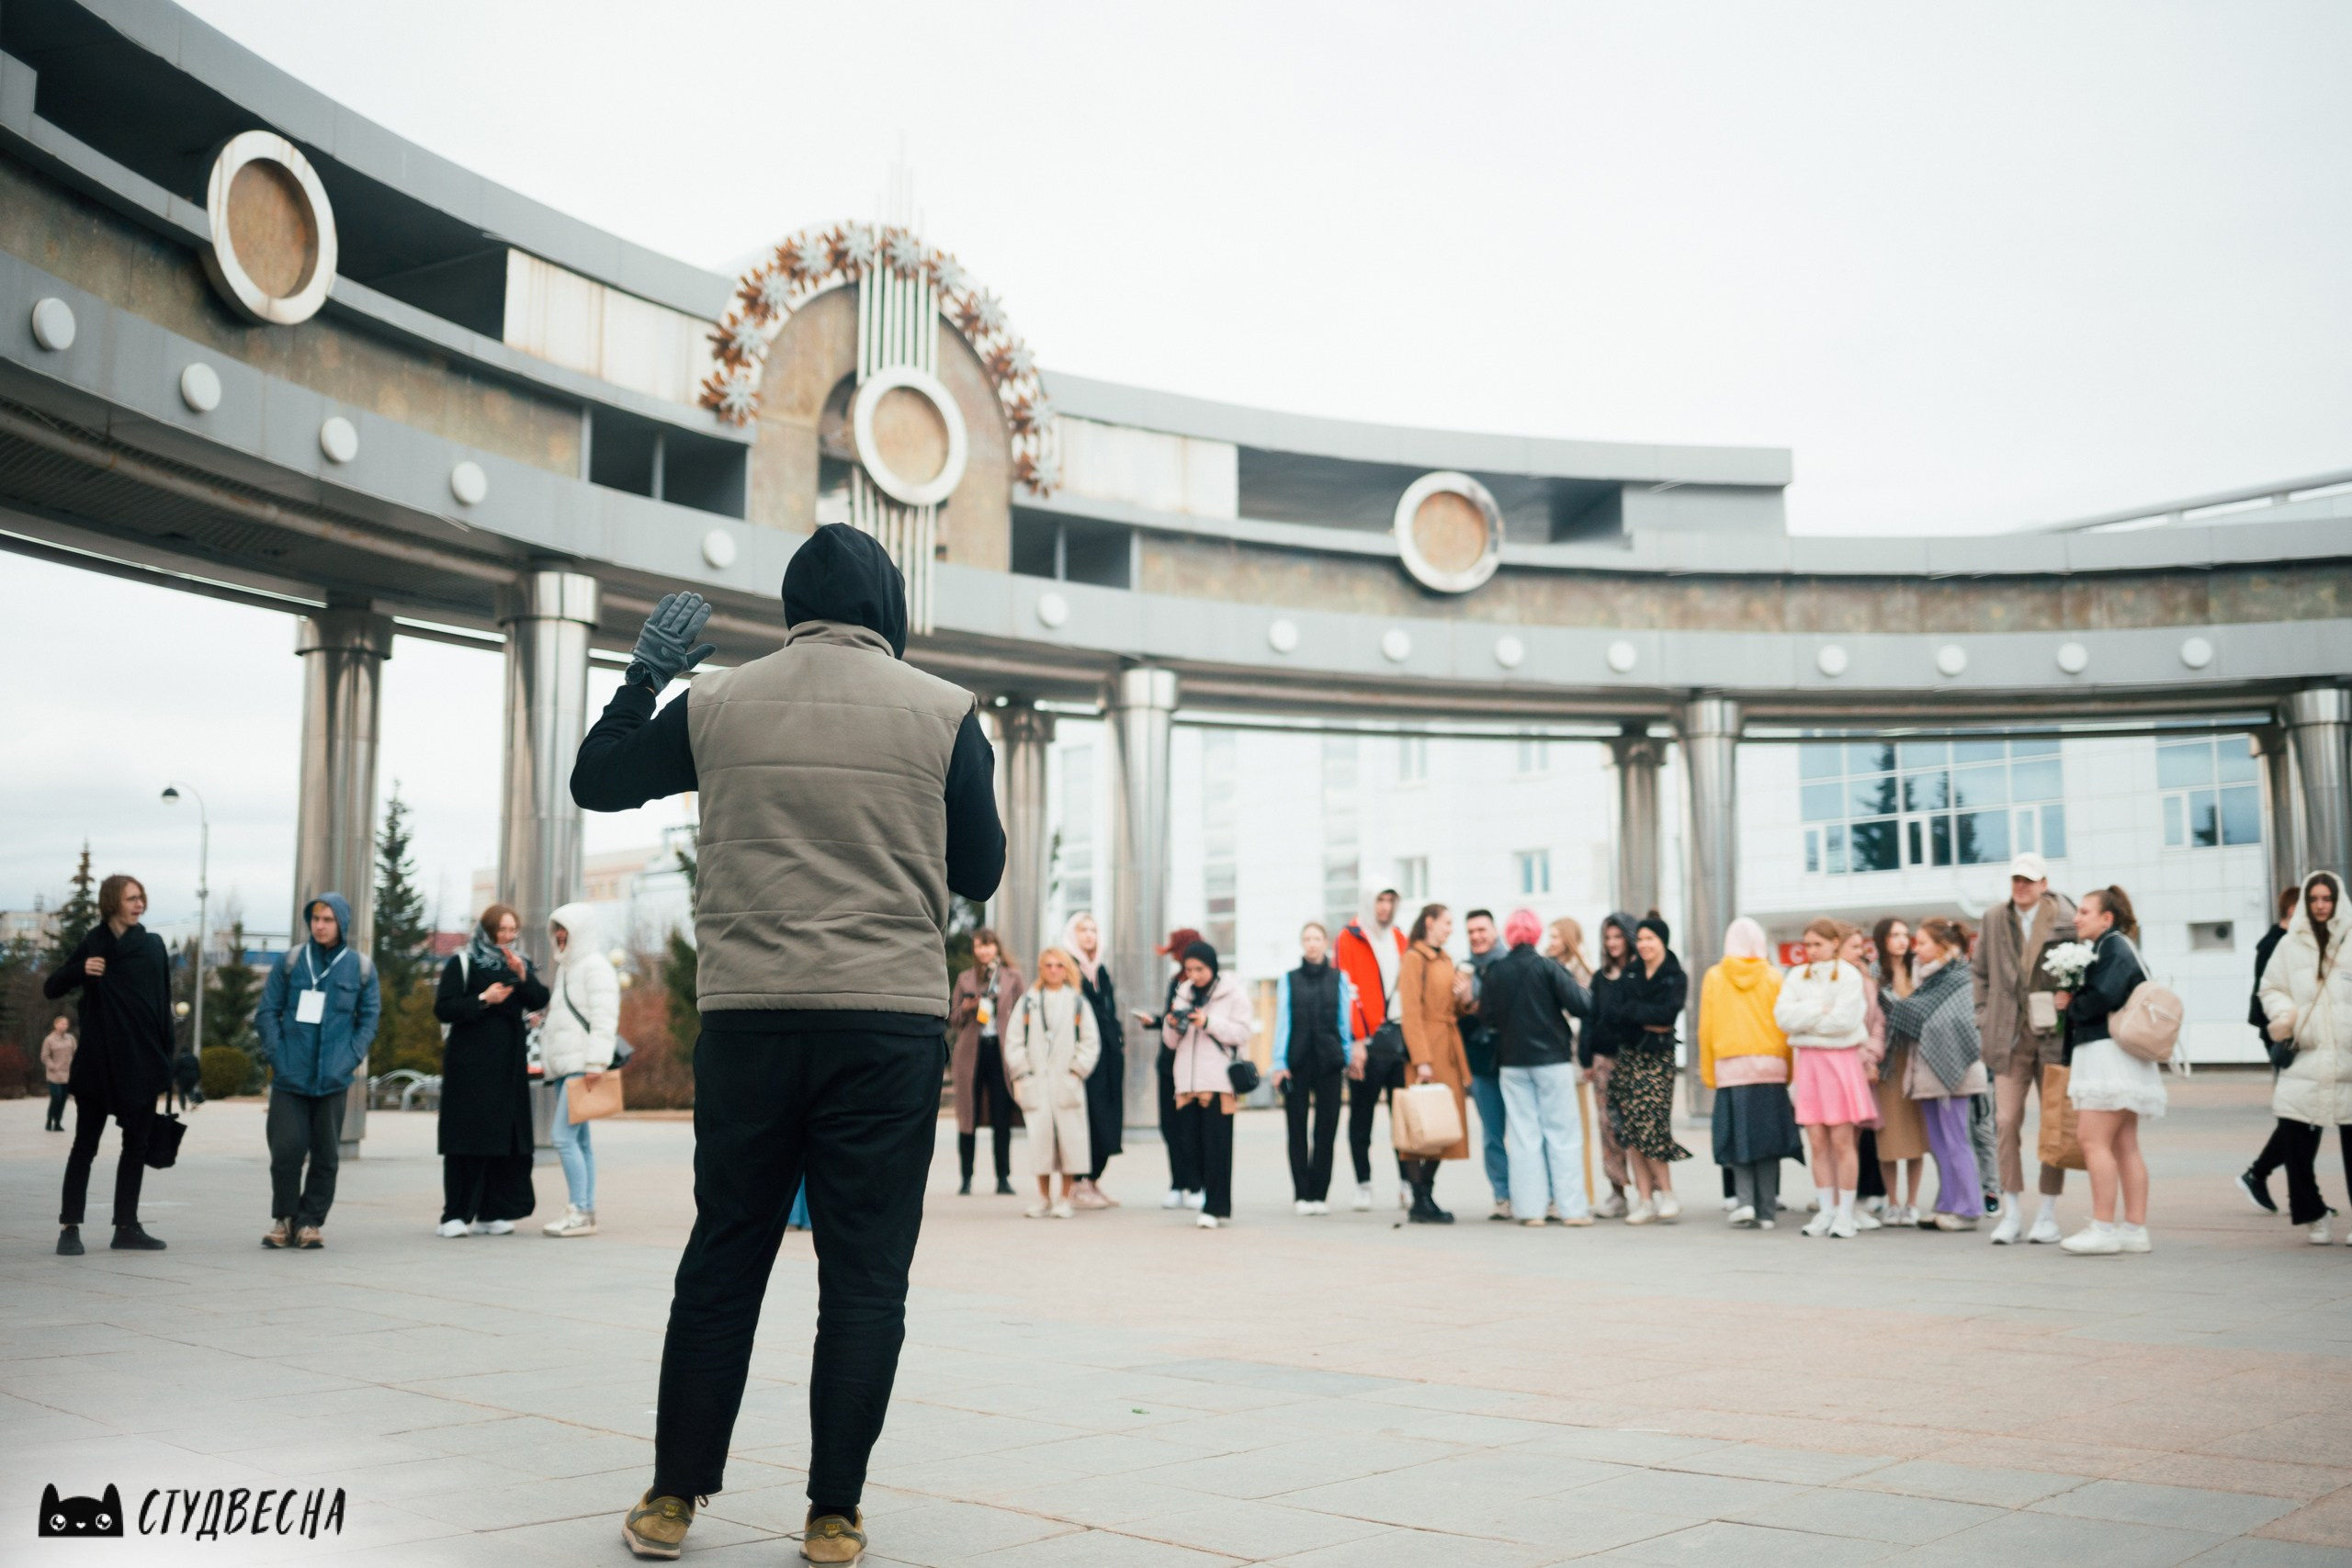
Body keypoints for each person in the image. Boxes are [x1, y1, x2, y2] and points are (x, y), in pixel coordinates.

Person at [569, 525, 1005, 1563]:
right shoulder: (945, 713)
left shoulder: (718, 701)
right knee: (864, 1274)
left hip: (750, 1021)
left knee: (725, 1257)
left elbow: (598, 782)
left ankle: (673, 1500)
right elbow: (981, 869)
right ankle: (832, 1514)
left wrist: (643, 679)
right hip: (887, 1028)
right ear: (887, 605)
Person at [44, 874, 173, 1255]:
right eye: (132, 899)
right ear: (112, 902)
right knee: (84, 1146)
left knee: (134, 1146)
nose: (139, 905)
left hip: (140, 1061)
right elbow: (52, 987)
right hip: (98, 1063)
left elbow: (162, 1004)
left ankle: (126, 1226)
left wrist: (166, 1059)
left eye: (141, 898)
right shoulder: (94, 943)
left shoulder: (152, 946)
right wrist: (80, 969)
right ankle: (70, 1228)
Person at [252, 891, 382, 1250]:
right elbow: (267, 1012)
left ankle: (310, 1223)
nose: (320, 926)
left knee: (326, 1155)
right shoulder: (291, 962)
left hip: (334, 1078)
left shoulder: (360, 967)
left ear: (342, 924)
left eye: (328, 920)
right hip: (290, 1076)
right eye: (316, 919)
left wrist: (350, 1056)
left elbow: (369, 1020)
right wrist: (279, 1055)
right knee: (287, 1151)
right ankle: (284, 1219)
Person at [1972, 852, 2075, 1246]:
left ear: (2044, 884)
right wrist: (1984, 1013)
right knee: (2004, 1121)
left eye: (2029, 880)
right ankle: (2012, 1212)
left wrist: (2071, 998)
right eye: (2016, 879)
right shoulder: (1995, 917)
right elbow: (1979, 971)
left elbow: (2081, 969)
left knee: (2054, 1125)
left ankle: (2047, 1214)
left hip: (2052, 1033)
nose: (2021, 886)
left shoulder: (2066, 919)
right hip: (2009, 1034)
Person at [2057, 886, 2162, 1255]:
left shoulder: (2113, 948)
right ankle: (2134, 1229)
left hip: (2107, 1055)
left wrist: (2071, 1000)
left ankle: (2104, 1227)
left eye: (2085, 911)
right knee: (2124, 1144)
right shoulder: (2115, 947)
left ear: (2107, 918)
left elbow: (2100, 999)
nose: (2076, 917)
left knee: (2093, 1141)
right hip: (2118, 1057)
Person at [433, 904, 548, 1238]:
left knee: (504, 1140)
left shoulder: (518, 963)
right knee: (467, 1139)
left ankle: (491, 1212)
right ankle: (454, 1215)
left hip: (508, 1069)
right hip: (469, 1070)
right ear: (487, 930)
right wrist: (484, 998)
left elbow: (539, 998)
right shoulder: (463, 963)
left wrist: (523, 976)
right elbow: (444, 1007)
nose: (508, 936)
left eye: (513, 930)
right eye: (502, 930)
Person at [1481, 908, 1594, 1226]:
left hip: (1512, 1062)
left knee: (1522, 1136)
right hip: (1552, 1060)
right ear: (1536, 934)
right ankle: (1572, 1210)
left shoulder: (1496, 970)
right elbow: (1582, 1005)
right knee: (1563, 1133)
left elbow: (1487, 1017)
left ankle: (1530, 1211)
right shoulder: (1549, 968)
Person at [2259, 872, 2349, 1247]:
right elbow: (2270, 987)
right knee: (2296, 1147)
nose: (2320, 904)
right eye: (2314, 898)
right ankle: (2314, 1215)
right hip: (2306, 1054)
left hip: (2347, 1057)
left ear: (2337, 899)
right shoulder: (2288, 945)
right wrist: (2287, 1017)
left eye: (2327, 898)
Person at [1777, 917, 1879, 1238]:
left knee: (1842, 1140)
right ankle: (1826, 1210)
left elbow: (1846, 1020)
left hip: (1841, 1063)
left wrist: (1807, 1020)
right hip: (1809, 1065)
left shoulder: (1849, 975)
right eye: (1807, 945)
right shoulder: (1796, 975)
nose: (1811, 951)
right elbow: (1782, 1016)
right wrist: (1819, 1011)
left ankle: (1846, 1213)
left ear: (1835, 943)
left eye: (1817, 944)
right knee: (1817, 1141)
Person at [1884, 918, 1987, 1233]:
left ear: (1942, 946)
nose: (1918, 949)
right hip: (1925, 1070)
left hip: (1954, 1068)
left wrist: (1906, 1009)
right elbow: (1916, 1013)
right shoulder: (1923, 977)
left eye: (1924, 943)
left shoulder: (1958, 975)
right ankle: (1948, 1203)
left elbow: (1953, 1023)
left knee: (1957, 1140)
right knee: (1939, 1143)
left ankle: (1969, 1208)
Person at [539, 901, 620, 1238]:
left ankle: (580, 1210)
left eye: (565, 929)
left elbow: (604, 1018)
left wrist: (596, 1062)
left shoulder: (595, 966)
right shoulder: (567, 968)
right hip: (565, 1066)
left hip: (581, 1066)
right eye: (556, 928)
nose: (559, 935)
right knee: (581, 1141)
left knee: (563, 1137)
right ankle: (584, 1210)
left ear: (580, 931)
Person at [1162, 941, 1253, 1229]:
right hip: (1187, 1083)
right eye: (1189, 969)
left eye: (1199, 969)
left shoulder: (1233, 993)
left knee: (1217, 1147)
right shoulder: (1183, 993)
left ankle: (1215, 1207)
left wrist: (1208, 1022)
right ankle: (1204, 1198)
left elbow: (1242, 1032)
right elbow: (1170, 1042)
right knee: (1190, 1145)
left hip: (1217, 1081)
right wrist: (1173, 1024)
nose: (1194, 975)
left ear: (1212, 967)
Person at [1605, 915, 1690, 1224]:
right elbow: (1615, 1012)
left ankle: (1667, 1193)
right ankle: (1644, 1199)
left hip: (1658, 1058)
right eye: (1640, 939)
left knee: (1651, 1125)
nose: (1643, 945)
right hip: (1630, 1057)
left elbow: (1667, 1016)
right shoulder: (1630, 973)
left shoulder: (1674, 976)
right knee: (1630, 1128)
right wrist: (1644, 1018)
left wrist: (1637, 1015)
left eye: (1649, 939)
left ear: (1662, 941)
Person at [1004, 947, 1100, 1219]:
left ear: (1066, 969)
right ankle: (1044, 1198)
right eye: (1048, 965)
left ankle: (1064, 1198)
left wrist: (1075, 1072)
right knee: (1040, 1141)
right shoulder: (1029, 1001)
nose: (1054, 970)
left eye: (1059, 965)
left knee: (1070, 1141)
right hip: (1037, 1081)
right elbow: (1013, 1040)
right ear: (1041, 968)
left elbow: (1090, 1042)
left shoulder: (1078, 1001)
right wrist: (1023, 1074)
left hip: (1066, 1082)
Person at [1272, 921, 1358, 1216]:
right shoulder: (1288, 979)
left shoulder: (1339, 978)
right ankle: (1301, 1193)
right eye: (1307, 938)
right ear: (1302, 943)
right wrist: (1279, 1063)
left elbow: (1344, 1022)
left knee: (1326, 1130)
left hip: (1329, 1062)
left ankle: (1320, 1194)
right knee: (1296, 1130)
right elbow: (1282, 1022)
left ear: (1325, 942)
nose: (1311, 943)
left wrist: (1346, 1056)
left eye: (1316, 938)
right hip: (1296, 1063)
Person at [1396, 903, 1474, 1224]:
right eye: (1447, 922)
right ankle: (1420, 1198)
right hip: (1426, 1051)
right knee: (1421, 1126)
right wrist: (1422, 1060)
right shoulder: (1414, 958)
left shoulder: (1446, 958)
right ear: (1430, 922)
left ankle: (1426, 1192)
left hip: (1449, 1049)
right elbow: (1411, 1011)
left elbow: (1455, 1009)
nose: (1451, 928)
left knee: (1444, 1126)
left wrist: (1464, 996)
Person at [1334, 889, 1407, 1212]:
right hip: (1367, 1042)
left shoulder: (1400, 939)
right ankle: (1363, 1183)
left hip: (1400, 1040)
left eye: (1390, 902)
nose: (1385, 908)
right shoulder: (1349, 938)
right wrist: (1357, 1040)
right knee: (1361, 1118)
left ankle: (1409, 1182)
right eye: (1380, 900)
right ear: (1368, 902)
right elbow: (1346, 990)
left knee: (1403, 1116)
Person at [2239, 884, 2304, 1214]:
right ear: (2293, 911)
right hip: (2285, 1038)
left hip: (2292, 1036)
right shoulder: (2276, 945)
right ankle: (2261, 1175)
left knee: (2303, 1116)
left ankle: (2301, 1196)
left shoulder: (2284, 942)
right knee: (2300, 1116)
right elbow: (2268, 996)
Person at [949, 929, 1025, 1198]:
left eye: (988, 946)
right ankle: (966, 1178)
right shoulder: (965, 978)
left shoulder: (1012, 977)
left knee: (1001, 1114)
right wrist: (968, 1007)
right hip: (972, 1051)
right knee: (966, 1116)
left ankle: (1003, 1178)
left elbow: (1023, 1013)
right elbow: (953, 1018)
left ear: (997, 948)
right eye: (979, 947)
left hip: (1001, 1051)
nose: (984, 951)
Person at [1059, 912, 1124, 1209]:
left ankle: (1093, 1182)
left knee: (1107, 1120)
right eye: (1083, 930)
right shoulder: (1068, 969)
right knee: (1088, 1119)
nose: (1089, 936)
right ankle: (1077, 1184)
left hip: (1108, 1057)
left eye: (1093, 930)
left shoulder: (1101, 972)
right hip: (1084, 1057)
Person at [1581, 914, 1642, 1218]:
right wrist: (1586, 1057)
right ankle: (1617, 1192)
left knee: (1639, 1125)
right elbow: (1590, 1018)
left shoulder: (1639, 973)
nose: (1612, 943)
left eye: (1618, 936)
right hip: (1604, 1060)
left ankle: (1651, 1191)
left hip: (1634, 1058)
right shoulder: (1600, 977)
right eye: (1608, 937)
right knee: (1608, 1128)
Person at [1869, 918, 1928, 1224]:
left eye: (1906, 935)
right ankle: (1892, 1202)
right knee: (1889, 1135)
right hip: (1887, 1062)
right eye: (1895, 935)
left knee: (1916, 1133)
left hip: (1917, 1060)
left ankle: (1912, 1202)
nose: (1902, 940)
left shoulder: (1919, 969)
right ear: (1883, 940)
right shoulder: (1874, 975)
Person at [1145, 926, 1205, 1211]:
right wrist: (1156, 1021)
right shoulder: (1175, 983)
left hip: (1192, 1065)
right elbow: (1173, 1019)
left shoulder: (1205, 986)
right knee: (1169, 1127)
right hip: (1167, 1063)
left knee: (1190, 1127)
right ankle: (1177, 1184)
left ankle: (1195, 1184)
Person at [1460, 908, 1511, 1220]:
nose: (1477, 937)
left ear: (1495, 931)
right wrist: (1462, 1003)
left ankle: (1531, 1191)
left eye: (1482, 930)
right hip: (1480, 1063)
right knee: (1492, 1135)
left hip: (1511, 1060)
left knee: (1522, 1133)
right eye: (1471, 932)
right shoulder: (1462, 971)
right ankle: (1502, 1195)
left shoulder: (1508, 965)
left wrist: (1473, 1004)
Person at [1842, 925, 1889, 1215]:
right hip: (1838, 1066)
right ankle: (1838, 1195)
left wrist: (1870, 1058)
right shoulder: (1828, 978)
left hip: (1863, 1067)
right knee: (1838, 1136)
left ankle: (1863, 1193)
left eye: (1861, 947)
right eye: (1854, 946)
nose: (1860, 953)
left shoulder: (1868, 982)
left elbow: (1877, 1024)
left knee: (1860, 1134)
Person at [40, 1015, 75, 1132]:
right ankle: (50, 1119)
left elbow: (76, 1053)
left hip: (67, 1074)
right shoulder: (49, 1039)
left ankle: (58, 1122)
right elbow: (45, 1056)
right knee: (56, 1097)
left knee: (63, 1099)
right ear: (56, 1025)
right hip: (54, 1074)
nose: (64, 1026)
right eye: (62, 1024)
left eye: (66, 1024)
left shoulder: (70, 1039)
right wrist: (52, 1066)